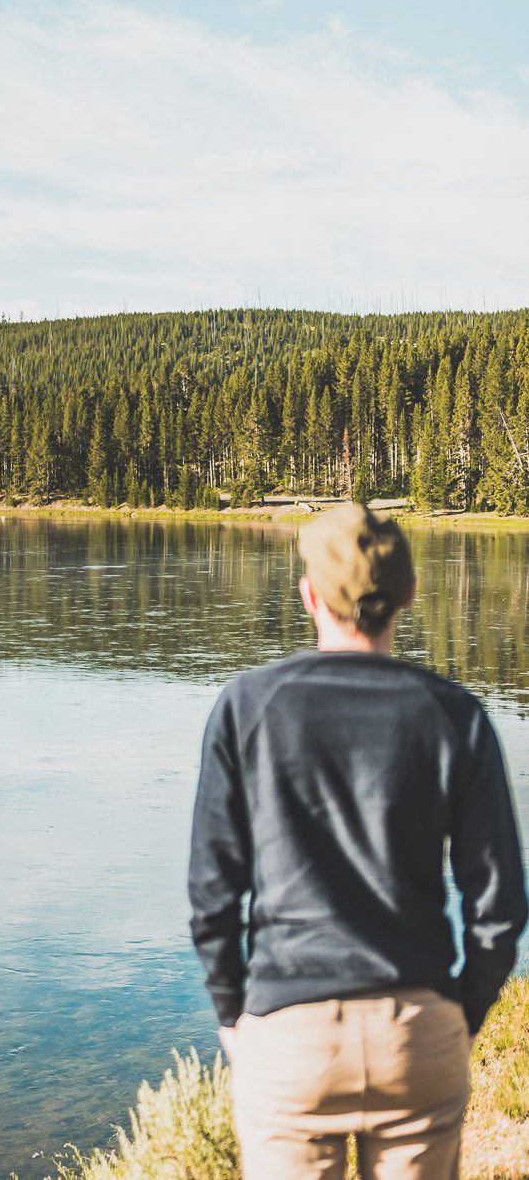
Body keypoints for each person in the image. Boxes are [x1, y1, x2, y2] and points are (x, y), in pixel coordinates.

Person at [188, 503, 527, 1179]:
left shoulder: (248, 707)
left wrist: (234, 1013)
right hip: (417, 1030)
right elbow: (500, 906)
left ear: (308, 594)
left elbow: (212, 892)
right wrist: (460, 1013)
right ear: (408, 594)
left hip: (290, 1033)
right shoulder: (452, 714)